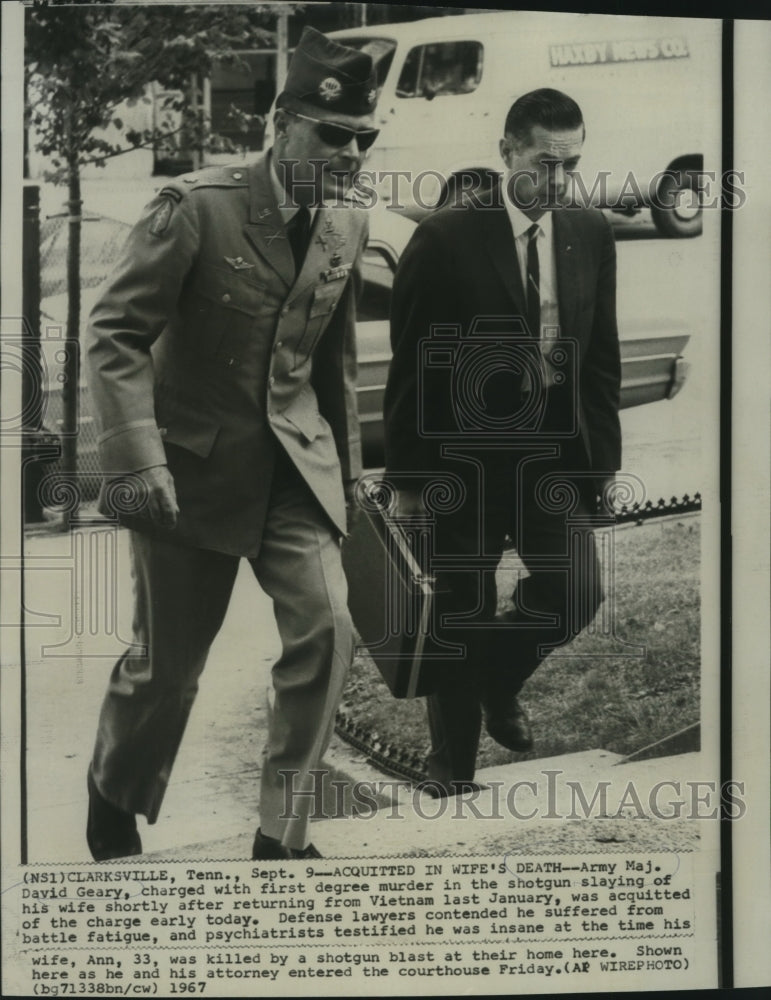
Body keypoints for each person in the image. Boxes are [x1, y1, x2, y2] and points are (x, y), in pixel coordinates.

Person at [84, 26, 380, 861]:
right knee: (167, 669)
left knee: (327, 632)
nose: (350, 153)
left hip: (296, 469)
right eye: (332, 133)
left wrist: (348, 477)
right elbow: (113, 331)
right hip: (190, 471)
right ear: (282, 122)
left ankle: (277, 837)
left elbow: (335, 361)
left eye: (364, 138)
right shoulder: (197, 207)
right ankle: (113, 788)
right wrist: (138, 460)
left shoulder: (345, 223)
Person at [383, 88, 621, 796]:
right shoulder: (446, 237)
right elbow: (410, 371)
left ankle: (495, 681)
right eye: (544, 164)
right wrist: (408, 482)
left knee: (575, 592)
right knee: (457, 610)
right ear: (506, 152)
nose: (557, 181)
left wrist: (601, 463)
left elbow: (599, 356)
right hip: (462, 460)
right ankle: (450, 773)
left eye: (571, 165)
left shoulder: (588, 230)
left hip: (552, 455)